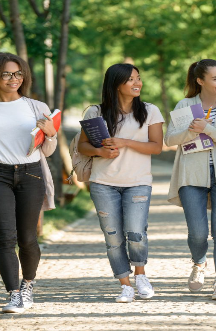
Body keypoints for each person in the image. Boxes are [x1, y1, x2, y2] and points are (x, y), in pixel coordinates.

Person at [0, 52, 57, 313]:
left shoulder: (37, 107)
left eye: (18, 73)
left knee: (28, 238)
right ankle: (14, 294)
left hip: (30, 174)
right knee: (5, 238)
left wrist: (50, 134)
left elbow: (47, 151)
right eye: (6, 74)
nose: (13, 78)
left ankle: (28, 284)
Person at [78, 63, 164, 303]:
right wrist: (100, 152)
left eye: (138, 78)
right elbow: (82, 146)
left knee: (136, 232)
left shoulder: (149, 111)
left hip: (138, 182)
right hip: (103, 183)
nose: (137, 83)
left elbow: (157, 147)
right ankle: (125, 284)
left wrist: (125, 142)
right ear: (116, 84)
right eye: (130, 79)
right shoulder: (95, 112)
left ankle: (141, 275)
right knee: (113, 237)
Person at [165, 59, 216, 301]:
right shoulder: (185, 104)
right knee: (198, 233)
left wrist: (207, 128)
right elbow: (169, 139)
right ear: (200, 81)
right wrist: (191, 130)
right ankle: (199, 262)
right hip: (191, 173)